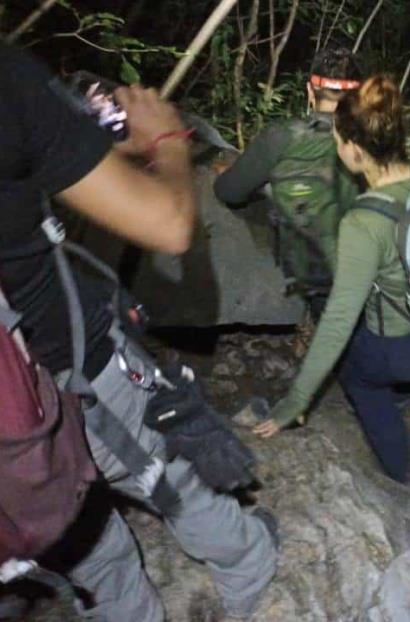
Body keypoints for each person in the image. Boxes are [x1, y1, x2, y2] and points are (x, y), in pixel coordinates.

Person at [0, 43, 276, 621]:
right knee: (162, 471)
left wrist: (78, 140)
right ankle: (248, 563)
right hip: (65, 363)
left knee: (72, 534)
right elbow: (169, 227)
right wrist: (167, 140)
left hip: (9, 432)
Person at [253, 75, 410, 484]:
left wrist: (296, 401)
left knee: (359, 375)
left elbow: (338, 319)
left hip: (404, 348)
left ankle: (401, 469)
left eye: (338, 142)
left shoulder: (365, 221)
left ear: (353, 150)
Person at [214, 47, 364, 325]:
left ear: (310, 91)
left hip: (319, 273)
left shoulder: (282, 136)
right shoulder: (377, 144)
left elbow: (229, 192)